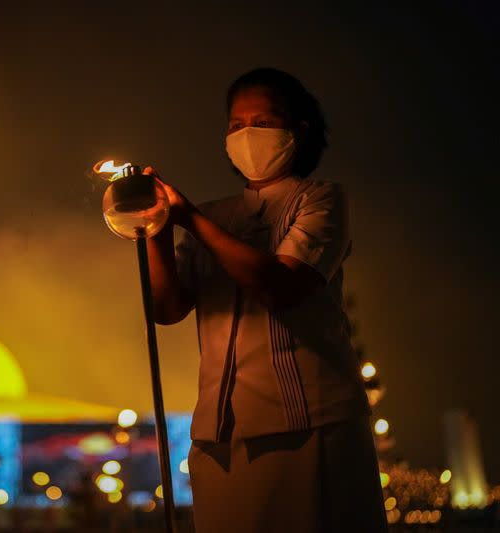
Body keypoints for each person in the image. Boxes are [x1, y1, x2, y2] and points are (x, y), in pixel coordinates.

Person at [146, 67, 388, 532]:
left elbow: (281, 284)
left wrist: (188, 219)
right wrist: (155, 226)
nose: (247, 135)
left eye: (263, 121)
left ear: (299, 131)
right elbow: (167, 308)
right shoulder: (217, 215)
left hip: (310, 427)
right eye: (236, 125)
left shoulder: (319, 201)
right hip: (220, 436)